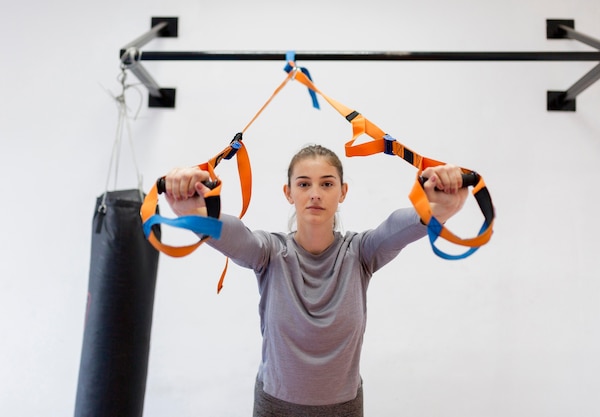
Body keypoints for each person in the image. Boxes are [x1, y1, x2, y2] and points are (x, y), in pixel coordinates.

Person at [162, 144, 468, 417]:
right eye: (304, 184)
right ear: (288, 192)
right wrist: (196, 211)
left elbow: (397, 227)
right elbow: (235, 236)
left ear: (343, 192)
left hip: (343, 408)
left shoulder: (361, 252)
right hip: (275, 405)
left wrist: (436, 207)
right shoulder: (270, 252)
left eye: (327, 183)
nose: (315, 193)